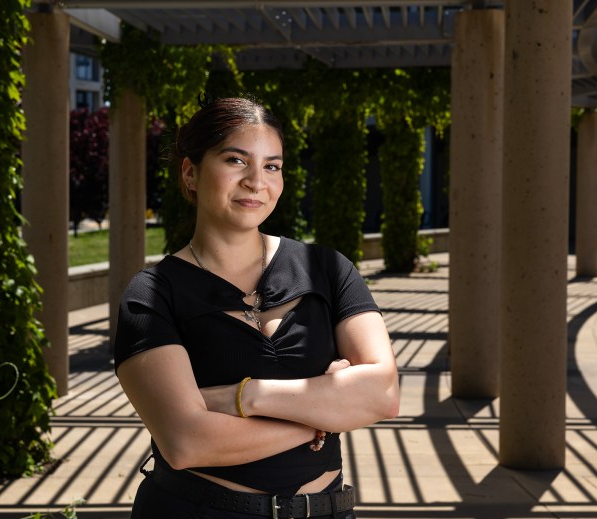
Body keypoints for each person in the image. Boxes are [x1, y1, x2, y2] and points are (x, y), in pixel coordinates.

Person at [114, 96, 399, 519]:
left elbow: (384, 394)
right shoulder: (152, 293)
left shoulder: (328, 269)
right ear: (190, 172)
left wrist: (242, 396)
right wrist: (323, 415)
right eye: (235, 160)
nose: (256, 181)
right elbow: (187, 442)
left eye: (272, 165)